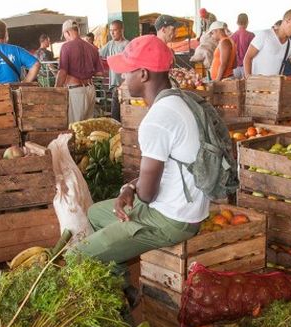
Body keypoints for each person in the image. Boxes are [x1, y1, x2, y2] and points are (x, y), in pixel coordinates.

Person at [77, 35, 218, 299]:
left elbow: (148, 195)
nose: (122, 79)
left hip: (172, 220)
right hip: (186, 208)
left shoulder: (157, 119)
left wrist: (132, 190)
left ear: (143, 74)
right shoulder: (181, 100)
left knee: (80, 254)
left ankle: (119, 314)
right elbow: (150, 183)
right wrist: (128, 187)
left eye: (126, 72)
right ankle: (123, 289)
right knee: (96, 213)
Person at [56, 19, 105, 124]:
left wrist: (56, 90)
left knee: (74, 126)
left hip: (76, 91)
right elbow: (100, 73)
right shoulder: (92, 48)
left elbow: (63, 72)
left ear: (67, 32)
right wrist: (86, 70)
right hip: (90, 89)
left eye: (64, 35)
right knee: (87, 127)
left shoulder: (66, 47)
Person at [243, 9, 291, 77]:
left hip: (275, 86)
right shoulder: (264, 35)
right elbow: (247, 58)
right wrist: (249, 80)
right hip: (257, 85)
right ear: (287, 20)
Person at [100, 20, 129, 121]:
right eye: (111, 30)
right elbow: (99, 54)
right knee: (115, 114)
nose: (112, 33)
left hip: (125, 85)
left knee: (126, 113)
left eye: (115, 30)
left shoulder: (127, 45)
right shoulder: (109, 44)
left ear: (121, 30)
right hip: (114, 85)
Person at [230, 13, 255, 78]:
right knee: (248, 87)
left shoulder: (232, 37)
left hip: (235, 68)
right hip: (247, 66)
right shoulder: (251, 35)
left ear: (237, 22)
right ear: (247, 22)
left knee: (236, 87)